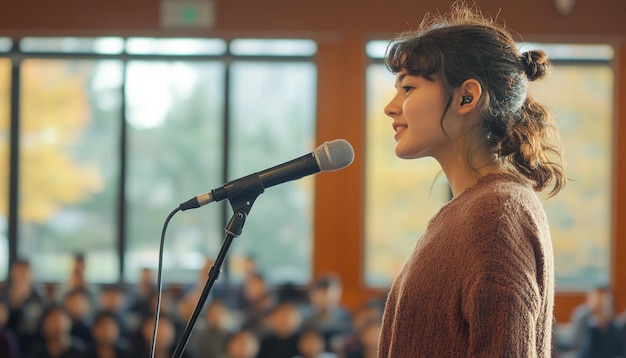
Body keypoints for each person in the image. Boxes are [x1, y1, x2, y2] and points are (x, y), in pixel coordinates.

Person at [378, 1, 567, 357]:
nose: (391, 106)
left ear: (467, 97)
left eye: (408, 88)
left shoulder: (497, 215)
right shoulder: (474, 210)